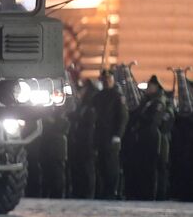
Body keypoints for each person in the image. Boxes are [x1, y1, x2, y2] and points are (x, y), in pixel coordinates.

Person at [125, 76, 170, 201]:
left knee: (151, 168)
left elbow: (153, 120)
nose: (148, 89)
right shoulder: (147, 101)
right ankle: (142, 192)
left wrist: (140, 116)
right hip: (142, 137)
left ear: (156, 87)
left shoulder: (158, 102)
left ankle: (151, 194)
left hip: (151, 137)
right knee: (142, 167)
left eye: (150, 86)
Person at [91, 70, 127, 199]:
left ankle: (112, 191)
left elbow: (122, 117)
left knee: (111, 165)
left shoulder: (118, 97)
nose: (107, 81)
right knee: (101, 165)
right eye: (104, 79)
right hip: (100, 136)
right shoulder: (98, 96)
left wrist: (118, 135)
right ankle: (103, 191)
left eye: (109, 79)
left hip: (111, 136)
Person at [68, 81, 98, 198]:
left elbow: (89, 122)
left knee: (87, 169)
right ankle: (79, 191)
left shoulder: (91, 108)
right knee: (78, 168)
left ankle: (88, 193)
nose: (80, 92)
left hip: (87, 142)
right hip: (79, 142)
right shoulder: (82, 106)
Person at [38, 105, 70, 199]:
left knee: (57, 174)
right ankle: (47, 193)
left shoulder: (62, 112)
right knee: (46, 173)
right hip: (48, 148)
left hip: (57, 149)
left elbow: (63, 126)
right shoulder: (46, 112)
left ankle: (57, 194)